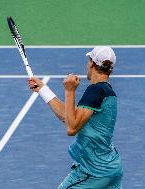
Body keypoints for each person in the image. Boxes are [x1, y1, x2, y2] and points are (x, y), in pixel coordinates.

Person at [28, 46, 123, 188]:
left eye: (88, 61)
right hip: (111, 168)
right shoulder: (107, 92)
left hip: (94, 171)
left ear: (91, 63)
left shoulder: (95, 91)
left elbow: (71, 128)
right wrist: (43, 89)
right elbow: (68, 117)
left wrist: (69, 90)